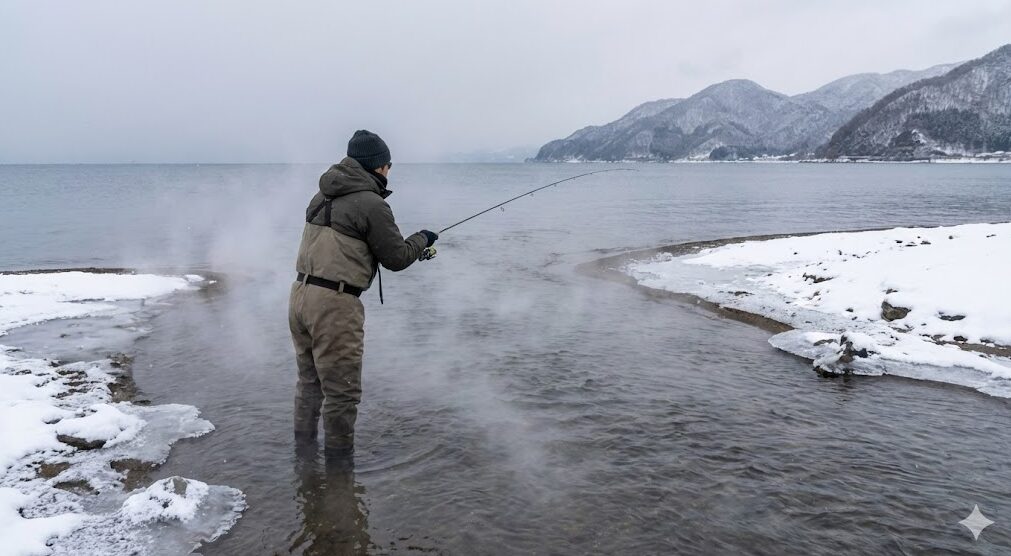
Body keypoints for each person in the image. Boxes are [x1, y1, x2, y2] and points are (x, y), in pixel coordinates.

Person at [288, 129, 437, 459]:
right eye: (388, 165)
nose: (388, 171)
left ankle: (304, 459)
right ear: (378, 167)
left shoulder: (321, 196)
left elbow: (350, 248)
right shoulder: (371, 203)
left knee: (310, 384)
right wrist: (423, 239)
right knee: (343, 392)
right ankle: (340, 475)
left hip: (299, 296)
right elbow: (396, 258)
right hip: (333, 306)